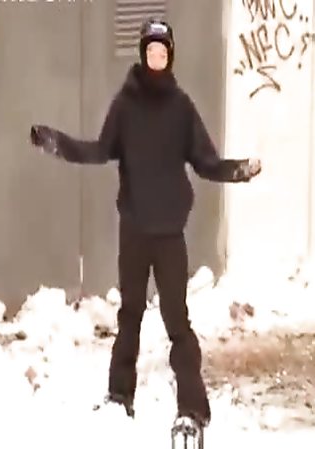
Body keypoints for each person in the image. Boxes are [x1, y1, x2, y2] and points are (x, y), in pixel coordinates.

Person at [29, 18, 262, 427]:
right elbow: (100, 150)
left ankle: (193, 407)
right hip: (135, 230)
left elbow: (205, 162)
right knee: (130, 316)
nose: (156, 57)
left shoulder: (181, 107)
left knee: (178, 323)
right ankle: (120, 396)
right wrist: (58, 143)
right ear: (142, 55)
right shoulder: (125, 105)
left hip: (169, 233)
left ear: (169, 56)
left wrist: (237, 170)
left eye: (162, 51)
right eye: (151, 51)